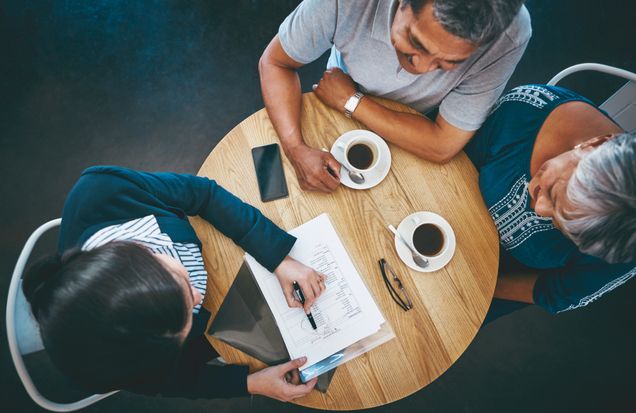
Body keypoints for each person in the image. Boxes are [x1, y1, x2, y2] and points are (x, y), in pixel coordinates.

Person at [23, 166, 326, 401]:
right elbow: (171, 382)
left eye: (181, 280)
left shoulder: (102, 191)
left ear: (139, 249)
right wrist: (248, 384)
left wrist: (279, 258)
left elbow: (202, 193)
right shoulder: (119, 364)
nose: (198, 297)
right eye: (186, 321)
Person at [259, 0, 531, 193]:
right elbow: (275, 63)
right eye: (416, 43)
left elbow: (442, 145)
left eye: (447, 63)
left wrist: (351, 101)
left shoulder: (510, 35)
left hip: (413, 126)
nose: (421, 69)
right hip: (337, 95)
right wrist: (295, 148)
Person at [461, 84, 636, 321]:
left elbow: (557, 292)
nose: (538, 208)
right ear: (593, 145)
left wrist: (474, 285)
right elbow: (451, 161)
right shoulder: (524, 110)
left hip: (494, 281)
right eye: (553, 192)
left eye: (561, 224)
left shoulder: (623, 245)